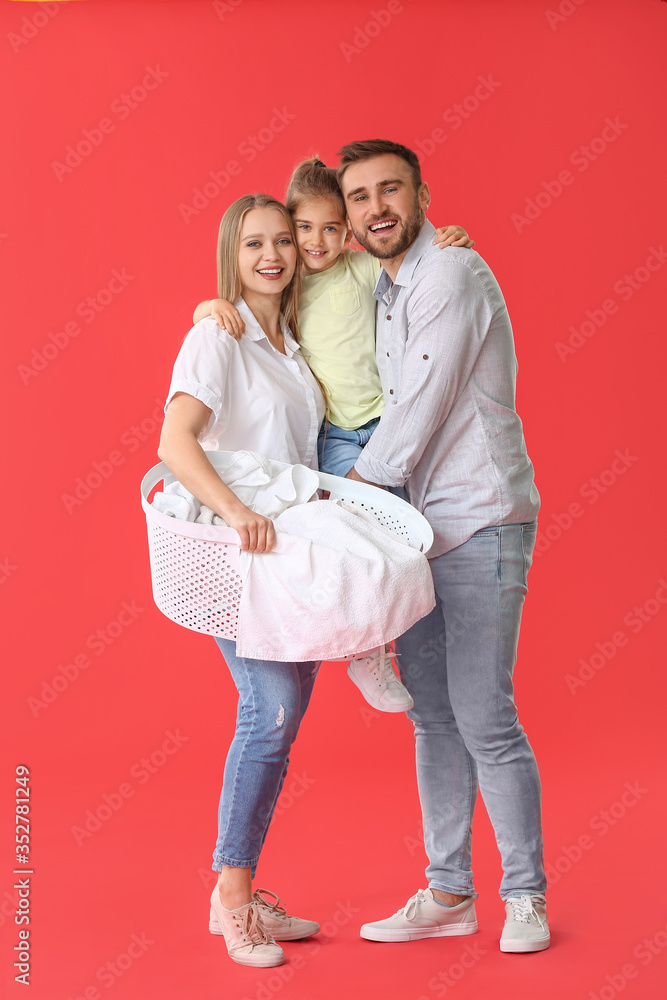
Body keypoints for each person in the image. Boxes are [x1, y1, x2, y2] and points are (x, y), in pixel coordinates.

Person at [338, 139, 549, 953]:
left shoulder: (451, 275)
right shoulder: (387, 288)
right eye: (359, 197)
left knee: (483, 714)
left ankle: (523, 896)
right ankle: (448, 893)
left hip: (480, 517)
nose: (375, 207)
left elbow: (419, 405)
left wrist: (348, 498)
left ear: (423, 194)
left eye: (390, 189)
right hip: (418, 530)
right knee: (432, 717)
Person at [193, 158, 474, 713]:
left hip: (385, 421)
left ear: (347, 232)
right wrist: (210, 305)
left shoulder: (362, 272)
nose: (315, 242)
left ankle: (379, 641)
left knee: (396, 535)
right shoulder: (289, 294)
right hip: (338, 436)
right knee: (351, 532)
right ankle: (366, 649)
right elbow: (247, 306)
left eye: (329, 228)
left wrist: (449, 240)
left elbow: (411, 269)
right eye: (303, 230)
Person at [158, 192, 325, 969]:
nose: (272, 254)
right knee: (271, 712)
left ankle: (243, 887)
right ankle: (232, 897)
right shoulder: (215, 335)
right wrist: (232, 514)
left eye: (283, 240)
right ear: (232, 253)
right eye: (254, 242)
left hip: (293, 560)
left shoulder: (289, 343)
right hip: (237, 555)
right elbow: (175, 441)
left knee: (281, 724)